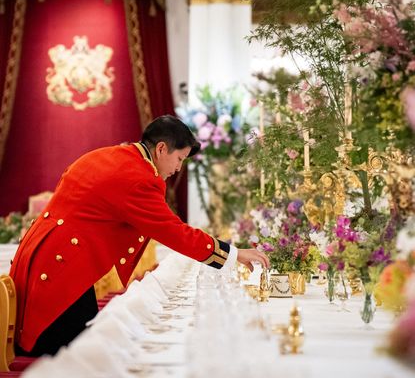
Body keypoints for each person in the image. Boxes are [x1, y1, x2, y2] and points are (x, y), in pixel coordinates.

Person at [10, 115, 269, 356]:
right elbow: (174, 232)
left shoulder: (113, 156)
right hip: (61, 270)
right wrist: (233, 255)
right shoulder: (138, 178)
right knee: (75, 357)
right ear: (161, 149)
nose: (179, 168)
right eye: (180, 159)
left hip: (43, 255)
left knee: (87, 341)